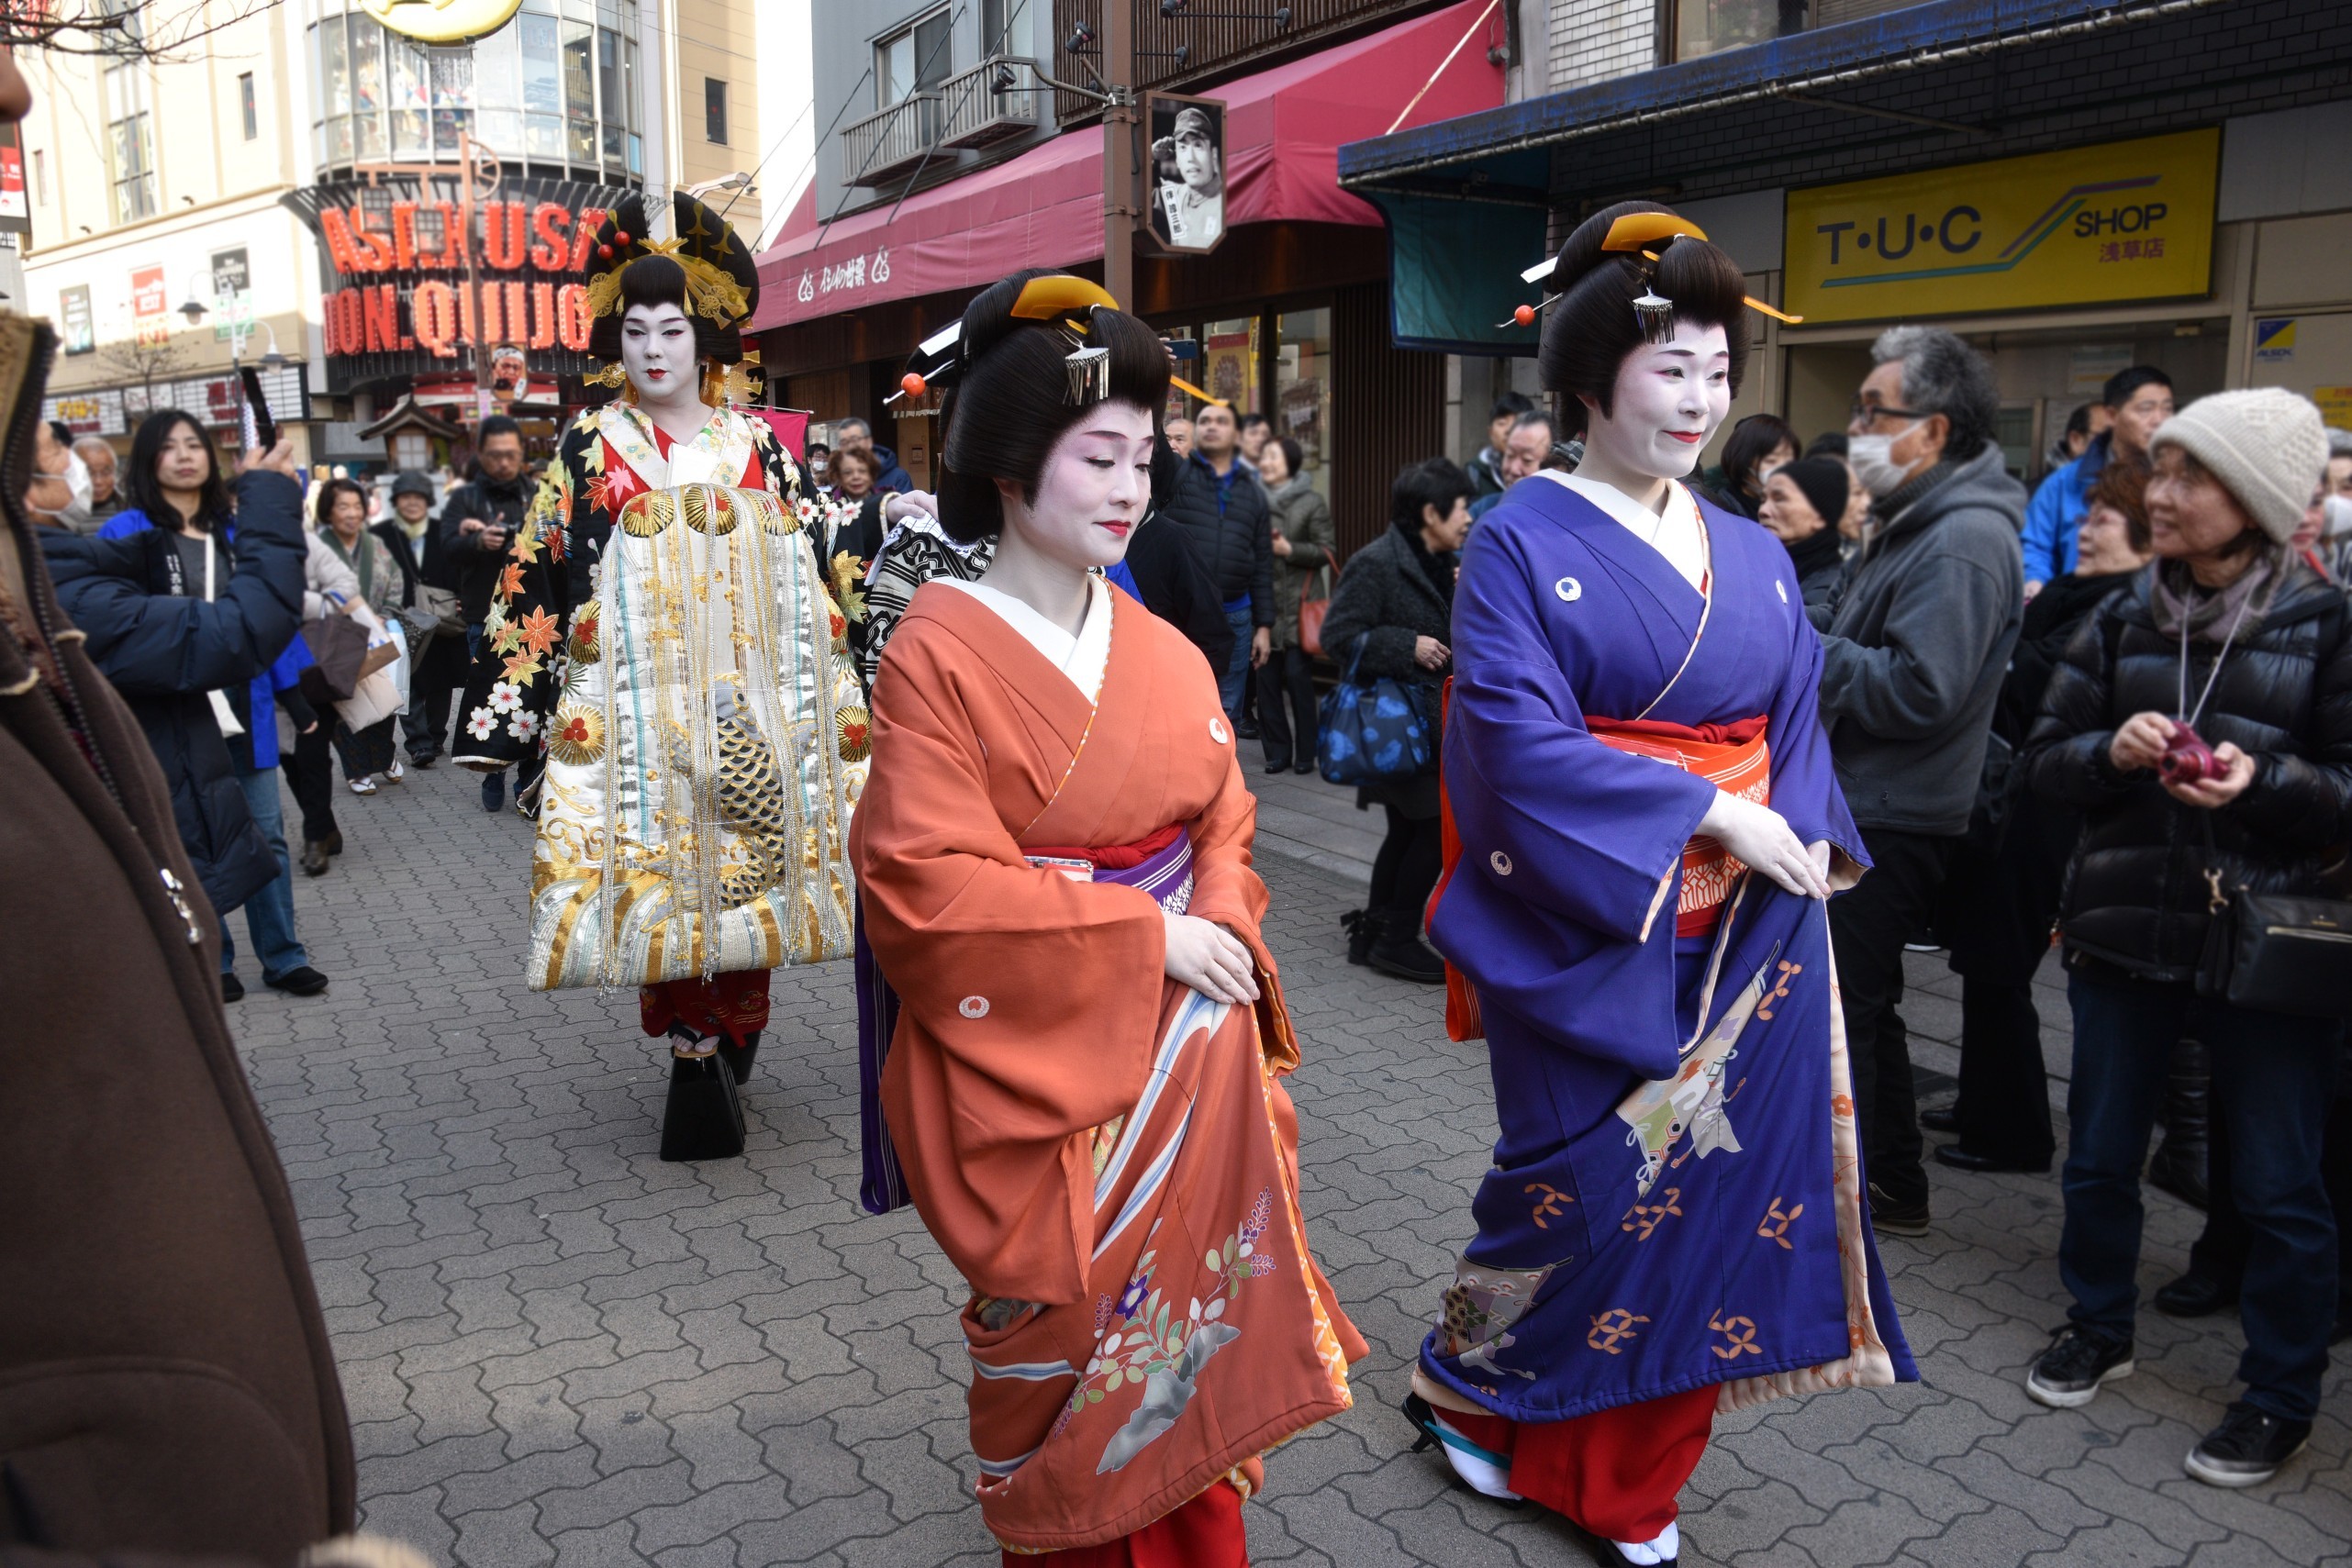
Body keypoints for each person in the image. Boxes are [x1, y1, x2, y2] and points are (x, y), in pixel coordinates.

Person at [1406, 203, 1912, 1568]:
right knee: (1570, 1187)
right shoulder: (1516, 535)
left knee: (1701, 1201)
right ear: (1587, 379)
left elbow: (1794, 715)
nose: (1699, 398)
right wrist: (1707, 814)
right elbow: (1510, 735)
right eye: (1669, 367)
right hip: (1580, 920)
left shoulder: (1750, 551)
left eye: (1715, 370)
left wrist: (1790, 836)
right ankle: (1472, 1381)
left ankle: (1617, 1477)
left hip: (1741, 934)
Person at [852, 268, 1362, 1565]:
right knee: (1064, 1338)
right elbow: (922, 881)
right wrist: (1145, 938)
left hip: (1186, 1045)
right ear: (1012, 465)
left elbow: (1221, 821)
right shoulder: (935, 646)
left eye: (1142, 455)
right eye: (1099, 455)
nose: (1132, 484)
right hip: (1041, 1061)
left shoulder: (1165, 648)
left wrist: (1212, 924)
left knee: (1186, 1331)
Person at [2021, 387, 2347, 1489]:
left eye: (2187, 476)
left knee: (2277, 1184)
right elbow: (2041, 761)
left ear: (2252, 499)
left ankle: (2279, 1395)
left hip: (2265, 953)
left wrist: (2271, 782)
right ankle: (2096, 1326)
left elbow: (2346, 791)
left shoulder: (2329, 624)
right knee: (2101, 1158)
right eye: (2156, 471)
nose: (2157, 495)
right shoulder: (2119, 615)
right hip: (2121, 937)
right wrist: (2104, 753)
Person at [505, 191, 862, 1162]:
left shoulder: (758, 448)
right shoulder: (588, 449)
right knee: (669, 874)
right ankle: (695, 1041)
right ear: (612, 341)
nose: (655, 348)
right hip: (640, 710)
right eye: (635, 329)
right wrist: (521, 707)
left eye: (673, 328)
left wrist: (851, 670)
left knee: (752, 865)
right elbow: (539, 565)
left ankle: (732, 1026)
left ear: (704, 338)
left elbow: (819, 564)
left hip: (754, 700)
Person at [1820, 325, 2024, 1239]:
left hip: (1893, 812)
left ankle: (1872, 1190)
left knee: (1849, 1007)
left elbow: (1922, 689)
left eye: (1874, 410)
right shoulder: (1915, 516)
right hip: (1868, 799)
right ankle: (1884, 1182)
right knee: (1858, 1002)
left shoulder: (1963, 537)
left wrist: (1806, 650)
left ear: (1931, 431)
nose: (1857, 424)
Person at [1930, 463, 2154, 1176]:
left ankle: (2015, 1132)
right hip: (2008, 795)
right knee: (1977, 954)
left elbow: (2028, 680)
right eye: (2084, 518)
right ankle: (1977, 1102)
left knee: (2000, 960)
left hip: (2053, 809)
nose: (2084, 530)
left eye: (2103, 520)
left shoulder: (2124, 608)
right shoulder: (2068, 590)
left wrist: (2001, 651)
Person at [88, 410, 332, 998]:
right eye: (167, 446)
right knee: (186, 839)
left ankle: (282, 954)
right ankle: (214, 960)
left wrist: (294, 699)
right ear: (147, 460)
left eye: (194, 444)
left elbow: (265, 620)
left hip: (243, 705)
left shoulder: (236, 531)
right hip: (169, 713)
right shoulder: (122, 533)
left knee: (267, 834)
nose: (183, 455)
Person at [1321, 459, 1468, 984]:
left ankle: (1373, 934)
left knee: (1406, 831)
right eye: (1461, 507)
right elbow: (1337, 636)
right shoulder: (1377, 562)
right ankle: (1397, 938)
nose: (1469, 517)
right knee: (1430, 831)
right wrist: (1407, 645)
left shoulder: (1445, 560)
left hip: (1430, 726)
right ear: (1430, 513)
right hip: (1398, 727)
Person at [443, 415, 539, 812]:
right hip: (486, 615)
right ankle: (492, 772)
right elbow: (446, 547)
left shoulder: (538, 494)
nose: (503, 462)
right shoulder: (464, 498)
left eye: (510, 454)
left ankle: (527, 778)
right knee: (491, 694)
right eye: (495, 455)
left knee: (533, 696)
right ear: (482, 455)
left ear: (521, 455)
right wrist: (477, 540)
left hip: (533, 616)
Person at [1163, 400, 1273, 730]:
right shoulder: (1177, 474)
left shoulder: (1253, 492)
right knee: (1179, 703)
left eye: (1221, 421)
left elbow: (1263, 560)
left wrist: (1264, 626)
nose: (1211, 425)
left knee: (1226, 711)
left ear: (1236, 435)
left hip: (1236, 616)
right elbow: (1152, 439)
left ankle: (1223, 781)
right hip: (1183, 615)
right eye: (1206, 420)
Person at [2022, 366, 2174, 596]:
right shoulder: (2065, 481)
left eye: (2167, 409)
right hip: (2075, 605)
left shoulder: (2177, 480)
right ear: (2112, 416)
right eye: (2146, 409)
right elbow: (2035, 545)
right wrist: (2036, 581)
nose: (2159, 420)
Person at [314, 477, 405, 795]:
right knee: (345, 704)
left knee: (383, 700)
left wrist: (385, 611)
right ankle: (356, 769)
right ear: (328, 511)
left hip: (374, 632)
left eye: (356, 506)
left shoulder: (373, 543)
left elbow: (394, 577)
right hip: (334, 638)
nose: (351, 513)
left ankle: (385, 756)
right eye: (343, 506)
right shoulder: (317, 546)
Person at [1256, 436, 1334, 775]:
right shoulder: (1252, 499)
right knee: (1266, 682)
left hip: (1299, 606)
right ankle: (1277, 751)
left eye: (1273, 457)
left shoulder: (1311, 501)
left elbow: (1327, 551)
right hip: (1264, 604)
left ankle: (1306, 753)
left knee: (1300, 681)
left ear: (1289, 462)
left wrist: (1291, 550)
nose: (1266, 463)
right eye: (1264, 457)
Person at [376, 468, 463, 768]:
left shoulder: (445, 531)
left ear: (427, 501)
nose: (412, 503)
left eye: (418, 497)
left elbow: (460, 569)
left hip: (442, 620)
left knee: (441, 681)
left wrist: (461, 598)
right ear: (396, 501)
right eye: (405, 497)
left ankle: (436, 736)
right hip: (399, 619)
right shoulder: (381, 534)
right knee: (405, 679)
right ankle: (419, 744)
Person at [1756, 454, 1850, 613]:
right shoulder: (1757, 561)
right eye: (1763, 500)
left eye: (1780, 499)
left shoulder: (1829, 587)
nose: (1763, 511)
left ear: (1820, 516)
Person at [1152, 104, 1224, 248]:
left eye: (1198, 145)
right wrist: (1153, 158)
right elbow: (1144, 197)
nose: (1191, 158)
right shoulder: (1177, 195)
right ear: (1177, 159)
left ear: (1213, 154)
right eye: (1183, 148)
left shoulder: (1225, 201)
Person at [1468, 407, 1559, 520]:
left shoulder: (1565, 521)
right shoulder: (1482, 511)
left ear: (1556, 467)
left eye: (1527, 460)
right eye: (1510, 455)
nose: (1513, 469)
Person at [1705, 411, 1797, 520]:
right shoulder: (1716, 511)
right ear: (1743, 461)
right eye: (1771, 461)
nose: (1783, 469)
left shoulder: (1797, 509)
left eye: (1789, 462)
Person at [1466, 392, 1536, 499]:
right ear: (1490, 431)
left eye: (1516, 423)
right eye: (1502, 423)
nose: (1508, 430)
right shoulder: (1473, 472)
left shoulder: (1542, 469)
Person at [833, 415, 912, 493]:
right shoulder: (839, 476)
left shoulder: (898, 477)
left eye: (854, 440)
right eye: (844, 442)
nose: (850, 446)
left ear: (869, 442)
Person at [74, 433, 126, 527]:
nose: (98, 481)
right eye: (89, 474)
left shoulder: (132, 512)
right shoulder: (57, 516)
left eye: (106, 473)